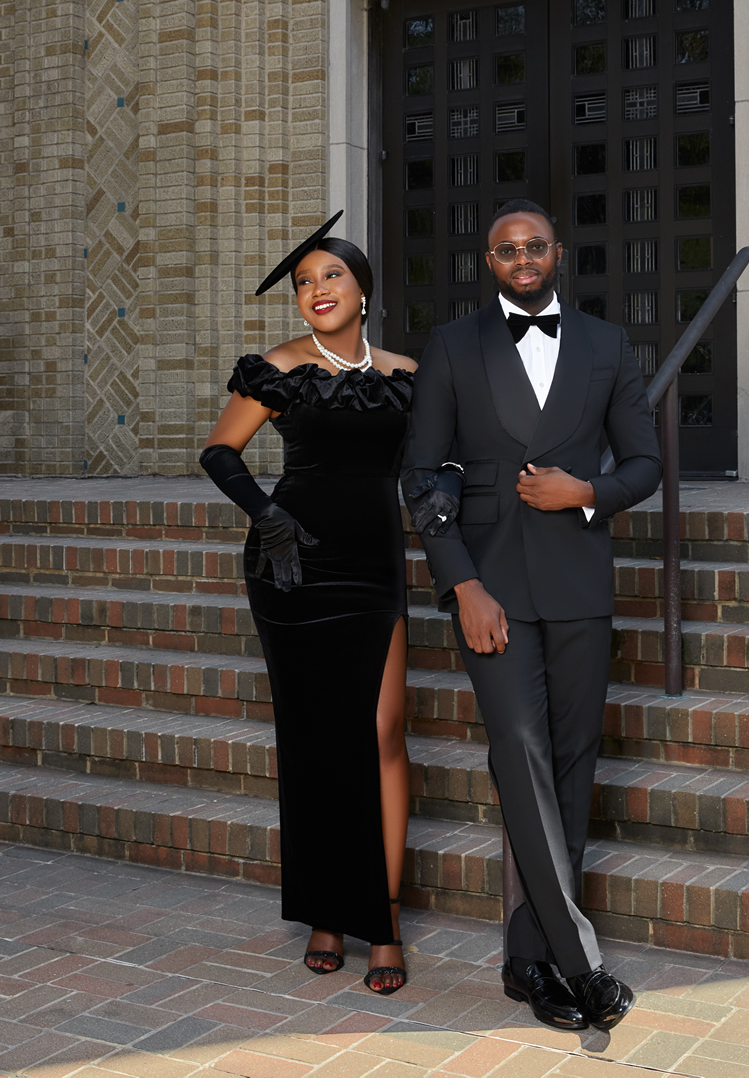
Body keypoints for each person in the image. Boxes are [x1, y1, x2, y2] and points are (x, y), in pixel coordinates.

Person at [401, 199, 662, 1033]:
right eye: (507, 249)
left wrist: (588, 491)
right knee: (519, 750)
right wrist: (462, 585)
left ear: (557, 253)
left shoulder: (606, 344)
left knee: (571, 768)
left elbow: (646, 461)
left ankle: (528, 958)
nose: (523, 258)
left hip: (580, 582)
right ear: (490, 261)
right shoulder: (453, 345)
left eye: (535, 246)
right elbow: (421, 476)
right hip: (493, 589)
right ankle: (582, 963)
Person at [200, 212, 417, 996]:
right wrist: (267, 515)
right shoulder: (278, 368)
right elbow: (219, 451)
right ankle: (328, 910)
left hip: (374, 566)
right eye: (303, 282)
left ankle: (382, 916)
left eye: (331, 275)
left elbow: (434, 460)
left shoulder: (405, 372)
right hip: (292, 566)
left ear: (363, 287)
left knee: (383, 730)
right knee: (316, 738)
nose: (317, 289)